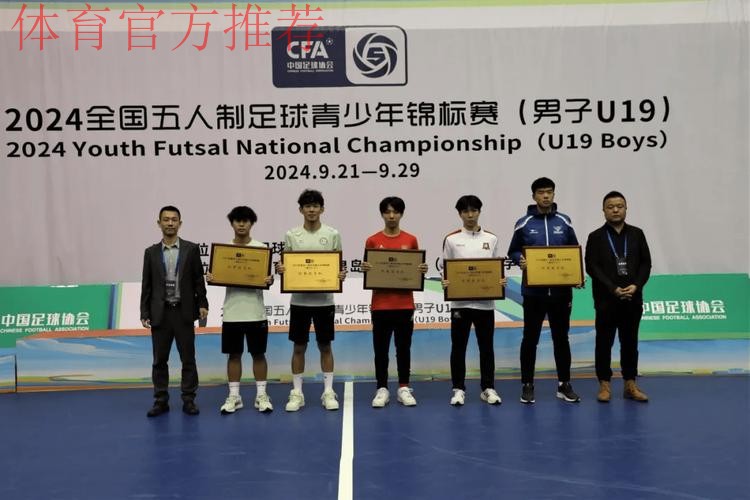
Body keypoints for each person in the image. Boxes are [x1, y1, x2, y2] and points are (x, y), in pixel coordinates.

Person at [507, 177, 581, 404]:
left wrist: (577, 275)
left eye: (549, 192)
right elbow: (513, 251)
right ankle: (527, 384)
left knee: (562, 339)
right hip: (533, 293)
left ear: (554, 194)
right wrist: (520, 260)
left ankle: (564, 384)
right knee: (530, 339)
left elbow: (573, 252)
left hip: (561, 294)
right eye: (541, 192)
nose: (546, 196)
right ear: (534, 196)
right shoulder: (523, 223)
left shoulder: (565, 221)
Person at [276, 190, 347, 411]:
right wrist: (282, 270)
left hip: (324, 301)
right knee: (299, 347)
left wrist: (340, 274)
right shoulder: (291, 235)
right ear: (301, 210)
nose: (312, 210)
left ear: (322, 209)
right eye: (307, 206)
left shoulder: (333, 234)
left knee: (325, 346)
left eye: (315, 206)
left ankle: (328, 392)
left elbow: (338, 264)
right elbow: (286, 265)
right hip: (300, 301)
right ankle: (297, 393)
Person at [140, 206, 208, 417]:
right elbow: (147, 284)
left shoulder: (191, 249)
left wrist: (203, 303)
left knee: (188, 359)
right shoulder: (151, 252)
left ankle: (189, 400)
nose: (170, 223)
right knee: (159, 361)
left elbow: (198, 280)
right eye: (166, 219)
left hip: (183, 312)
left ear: (180, 223)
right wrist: (144, 312)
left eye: (174, 219)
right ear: (159, 223)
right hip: (160, 314)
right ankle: (161, 401)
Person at [206, 206, 275, 414]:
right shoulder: (223, 251)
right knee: (234, 355)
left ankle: (261, 395)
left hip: (255, 312)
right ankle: (234, 396)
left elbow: (266, 279)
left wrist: (269, 280)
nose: (242, 224)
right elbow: (217, 275)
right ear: (232, 223)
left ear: (251, 223)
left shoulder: (261, 249)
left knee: (258, 354)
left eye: (246, 220)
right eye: (238, 220)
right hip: (232, 313)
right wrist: (213, 277)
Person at [585, 191, 651, 402]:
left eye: (619, 206)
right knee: (604, 343)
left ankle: (630, 384)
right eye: (610, 206)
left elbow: (646, 263)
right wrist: (612, 288)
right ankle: (604, 384)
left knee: (630, 343)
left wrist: (636, 285)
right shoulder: (595, 237)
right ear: (603, 210)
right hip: (606, 300)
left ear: (626, 208)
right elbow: (592, 267)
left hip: (632, 299)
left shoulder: (637, 234)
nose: (615, 210)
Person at [362, 197, 428, 408]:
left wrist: (421, 270)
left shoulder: (411, 240)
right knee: (380, 350)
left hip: (404, 304)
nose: (391, 216)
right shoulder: (372, 241)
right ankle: (382, 388)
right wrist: (366, 269)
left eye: (396, 212)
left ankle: (403, 387)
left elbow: (416, 269)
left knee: (403, 348)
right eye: (387, 212)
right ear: (382, 214)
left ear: (401, 214)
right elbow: (369, 269)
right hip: (380, 305)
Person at [442, 195, 506, 406]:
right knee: (458, 347)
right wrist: (445, 280)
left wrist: (500, 280)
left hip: (485, 304)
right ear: (459, 214)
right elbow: (445, 267)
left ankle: (488, 388)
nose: (470, 215)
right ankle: (458, 389)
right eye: (465, 211)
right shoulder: (451, 239)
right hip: (460, 304)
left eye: (474, 210)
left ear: (479, 212)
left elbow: (496, 267)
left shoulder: (491, 239)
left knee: (486, 347)